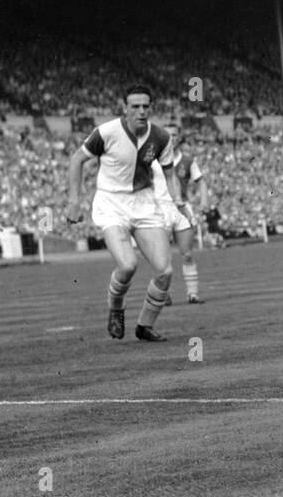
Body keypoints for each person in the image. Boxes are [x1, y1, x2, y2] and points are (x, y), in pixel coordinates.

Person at [65, 86, 180, 341]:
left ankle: (144, 326)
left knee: (165, 271)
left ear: (151, 108)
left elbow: (170, 173)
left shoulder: (161, 136)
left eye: (145, 106)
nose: (141, 111)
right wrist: (74, 201)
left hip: (144, 203)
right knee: (128, 265)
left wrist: (177, 201)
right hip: (111, 203)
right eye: (135, 106)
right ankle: (116, 309)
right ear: (124, 108)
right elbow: (76, 160)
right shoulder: (106, 132)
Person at [152, 123, 209, 303]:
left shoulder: (187, 161)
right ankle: (163, 294)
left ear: (179, 137)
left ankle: (192, 294)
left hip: (182, 208)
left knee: (187, 254)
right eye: (168, 135)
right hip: (159, 210)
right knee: (162, 257)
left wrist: (204, 200)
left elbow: (201, 181)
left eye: (175, 135)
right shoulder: (151, 160)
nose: (171, 138)